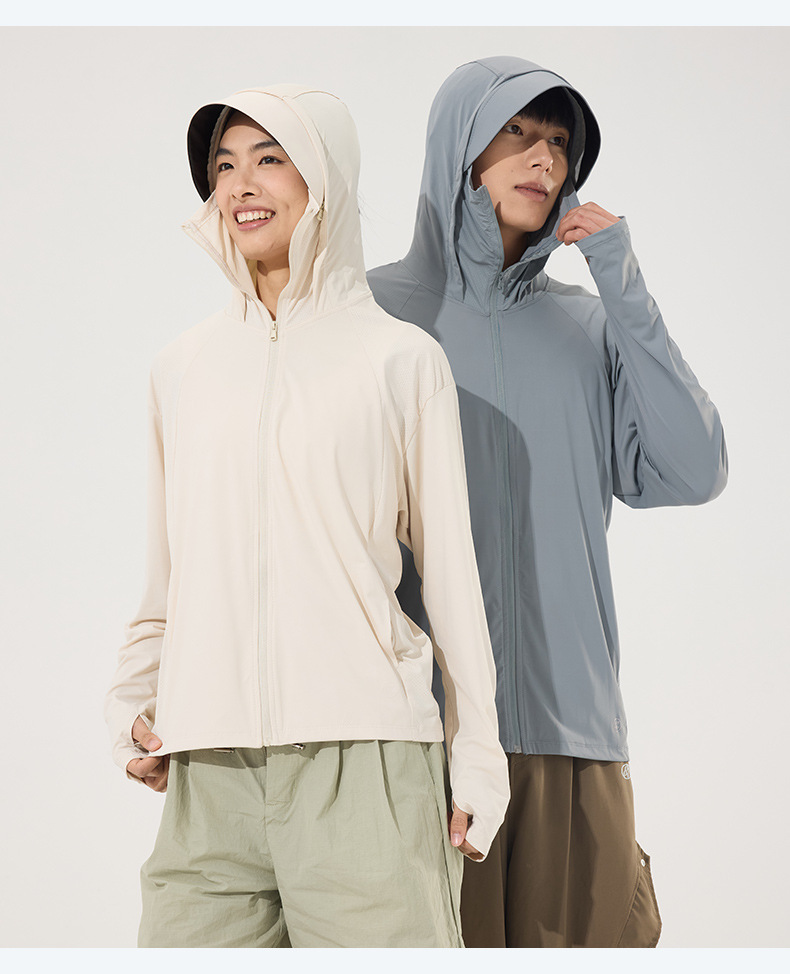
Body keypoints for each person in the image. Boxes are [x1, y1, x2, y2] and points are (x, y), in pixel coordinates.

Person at [104, 84, 509, 949]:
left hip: (366, 767)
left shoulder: (401, 361)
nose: (241, 185)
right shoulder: (182, 367)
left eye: (270, 158)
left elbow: (453, 582)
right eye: (224, 166)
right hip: (208, 771)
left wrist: (479, 753)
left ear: (325, 177)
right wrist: (132, 698)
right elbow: (168, 569)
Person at [368, 56, 728, 948]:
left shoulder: (589, 326)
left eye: (560, 142)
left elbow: (692, 469)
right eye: (517, 132)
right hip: (419, 738)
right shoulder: (374, 315)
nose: (544, 158)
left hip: (574, 732)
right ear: (459, 148)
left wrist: (622, 282)